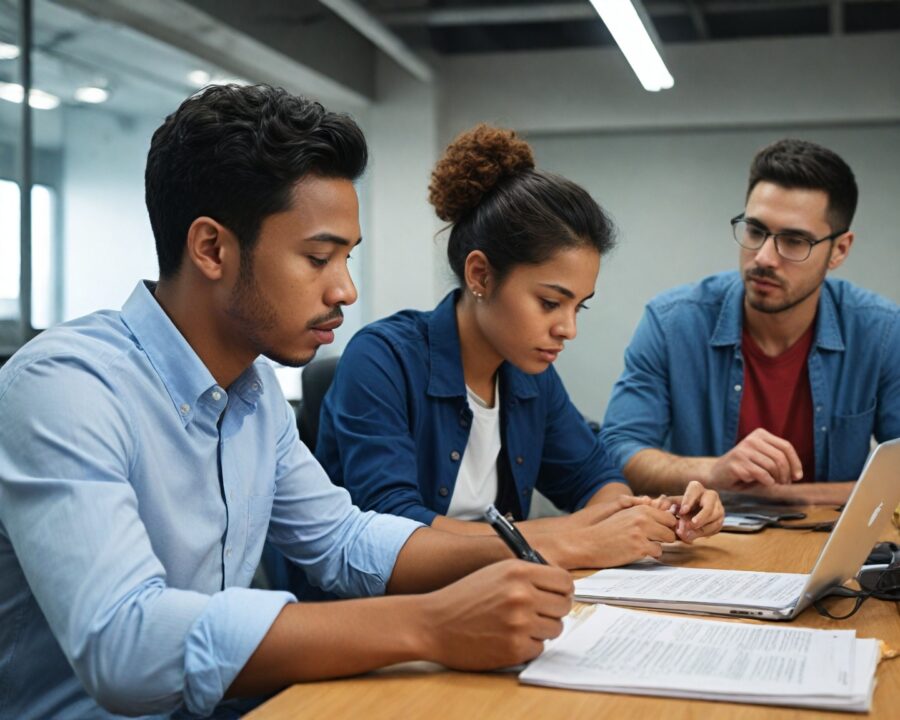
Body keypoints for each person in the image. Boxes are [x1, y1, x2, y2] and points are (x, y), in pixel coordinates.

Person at [0, 86, 580, 718]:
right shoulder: (66, 385)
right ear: (212, 248)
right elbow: (127, 643)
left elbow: (343, 540)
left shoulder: (252, 396)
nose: (346, 289)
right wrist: (430, 624)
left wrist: (538, 547)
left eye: (348, 258)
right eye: (318, 258)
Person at [315, 124, 724, 574]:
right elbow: (395, 529)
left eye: (578, 307)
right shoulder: (381, 360)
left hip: (494, 598)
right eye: (550, 302)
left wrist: (645, 514)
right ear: (480, 276)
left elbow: (594, 477)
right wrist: (575, 537)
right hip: (383, 619)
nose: (567, 328)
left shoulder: (529, 375)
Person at [600, 138, 900, 505]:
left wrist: (780, 496)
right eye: (755, 230)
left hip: (826, 544)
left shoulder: (882, 332)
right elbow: (618, 451)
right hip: (709, 545)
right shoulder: (672, 322)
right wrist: (711, 472)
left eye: (794, 241)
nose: (763, 257)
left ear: (839, 250)